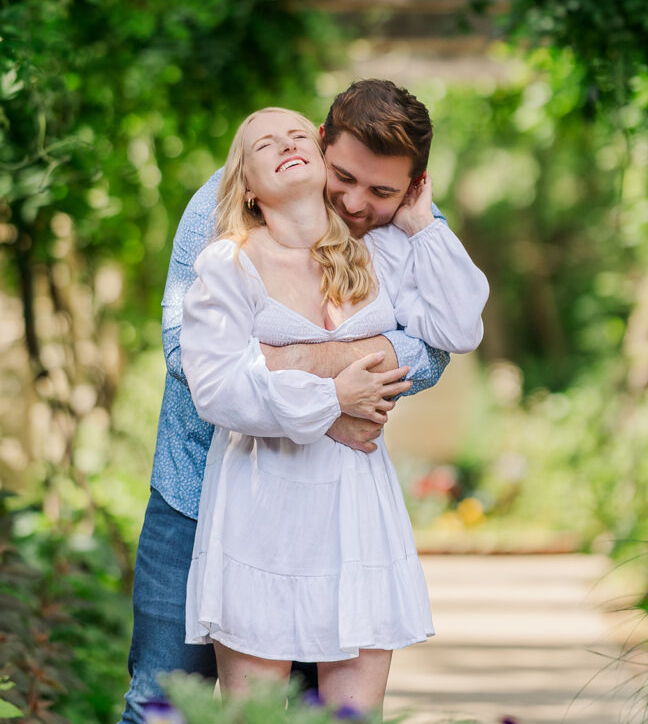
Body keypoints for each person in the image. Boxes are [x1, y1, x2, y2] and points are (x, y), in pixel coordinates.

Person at [118, 80, 488, 723]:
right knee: (158, 704)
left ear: (413, 185)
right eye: (343, 176)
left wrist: (300, 376)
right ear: (321, 146)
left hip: (337, 515)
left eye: (381, 191)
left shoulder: (400, 224)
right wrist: (330, 397)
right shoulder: (228, 205)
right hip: (199, 490)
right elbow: (190, 361)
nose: (355, 201)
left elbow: (436, 350)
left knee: (328, 713)